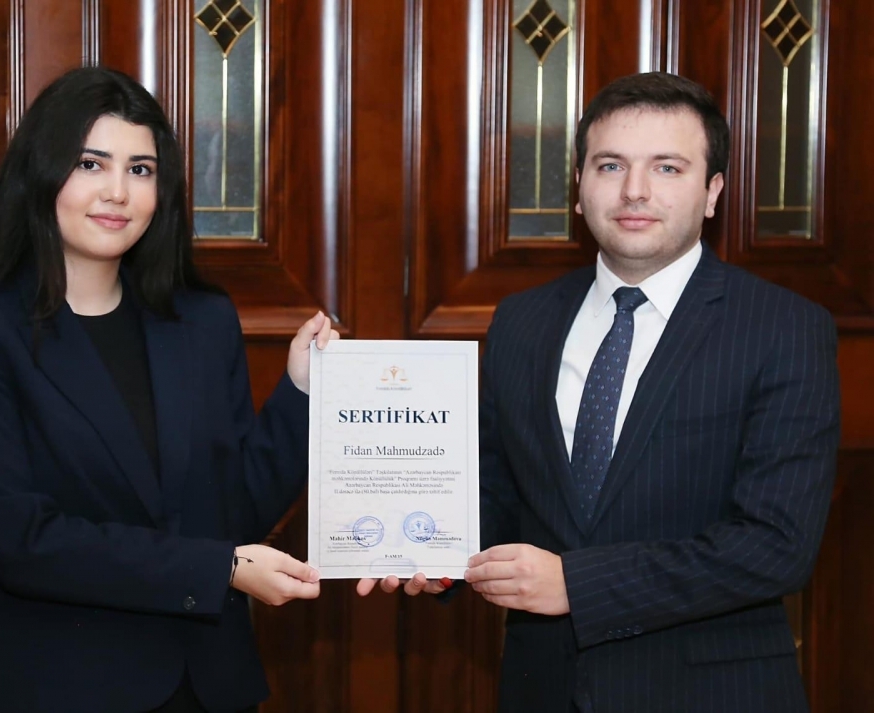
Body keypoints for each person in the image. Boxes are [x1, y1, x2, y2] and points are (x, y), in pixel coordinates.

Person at [360, 72, 840, 712]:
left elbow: (777, 546)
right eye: (610, 165)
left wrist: (577, 585)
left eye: (667, 168)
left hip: (709, 691)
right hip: (543, 687)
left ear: (712, 193)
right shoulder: (522, 321)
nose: (634, 190)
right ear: (580, 189)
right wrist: (432, 552)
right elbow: (497, 494)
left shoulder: (784, 328)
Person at [0, 66, 336, 713]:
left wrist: (301, 392)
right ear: (40, 173)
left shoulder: (201, 320)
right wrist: (216, 570)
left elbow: (233, 514)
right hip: (60, 689)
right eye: (90, 164)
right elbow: (21, 540)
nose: (117, 191)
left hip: (207, 686)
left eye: (140, 169)